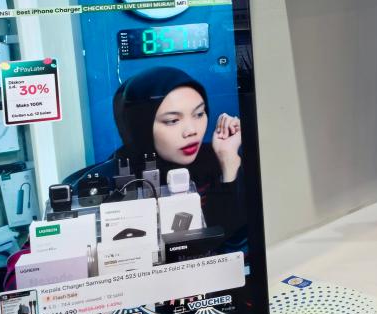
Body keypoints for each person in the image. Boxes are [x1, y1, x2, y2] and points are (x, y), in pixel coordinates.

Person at [65, 67, 246, 238]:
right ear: (139, 126)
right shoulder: (104, 183)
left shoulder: (219, 156)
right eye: (173, 120)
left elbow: (234, 240)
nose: (192, 131)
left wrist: (229, 164)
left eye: (199, 114)